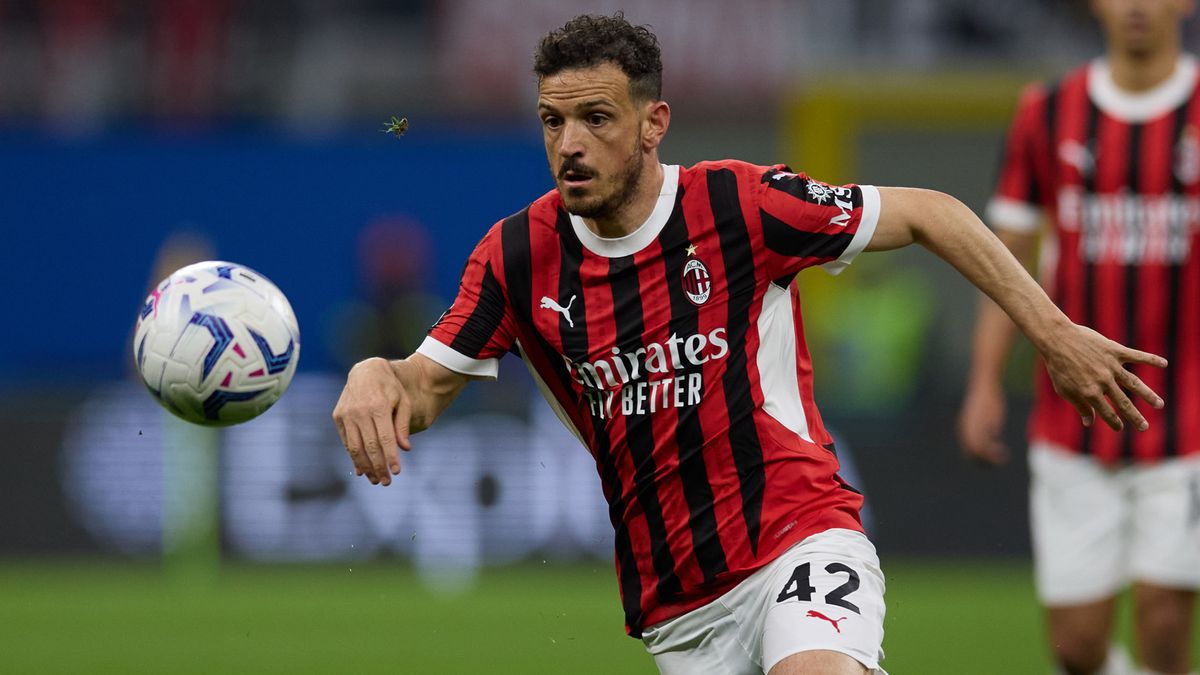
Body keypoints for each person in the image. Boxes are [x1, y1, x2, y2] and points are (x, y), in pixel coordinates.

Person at [334, 13, 1165, 675]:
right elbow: (421, 386)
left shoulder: (739, 205)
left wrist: (1053, 332)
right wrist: (376, 372)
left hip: (800, 535)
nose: (569, 144)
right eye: (553, 121)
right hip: (680, 605)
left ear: (654, 123)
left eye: (595, 118)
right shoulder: (516, 257)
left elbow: (931, 211)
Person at [957, 1, 1200, 674]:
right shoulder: (1047, 111)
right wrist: (983, 384)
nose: (1137, 6)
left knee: (1163, 621)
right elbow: (1007, 259)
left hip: (1187, 416)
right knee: (1075, 645)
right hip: (1075, 415)